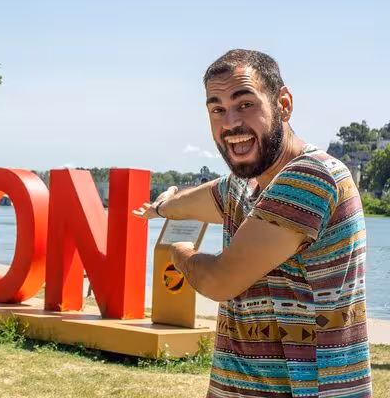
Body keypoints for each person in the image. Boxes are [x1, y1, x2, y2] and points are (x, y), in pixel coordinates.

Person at [134, 49, 372, 397]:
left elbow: (219, 279)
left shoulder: (311, 177)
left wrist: (180, 253)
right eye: (217, 109)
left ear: (284, 104)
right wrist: (162, 207)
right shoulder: (247, 186)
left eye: (244, 104)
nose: (230, 123)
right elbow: (197, 200)